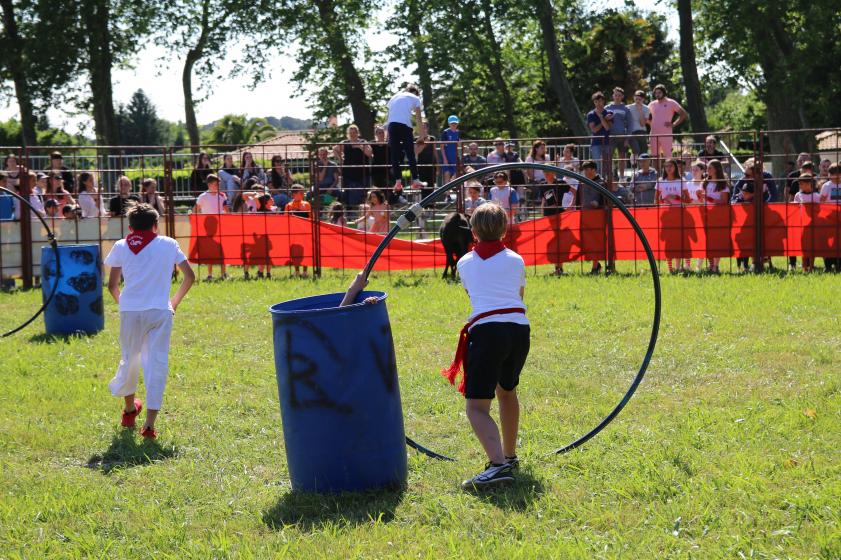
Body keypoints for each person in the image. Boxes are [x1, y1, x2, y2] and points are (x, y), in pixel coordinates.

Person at [438, 202, 529, 490]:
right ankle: (510, 456)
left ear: (473, 231)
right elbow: (519, 293)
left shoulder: (465, 263)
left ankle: (499, 466)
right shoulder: (516, 259)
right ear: (504, 229)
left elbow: (471, 292)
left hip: (488, 332)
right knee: (507, 391)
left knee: (477, 408)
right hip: (519, 330)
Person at [104, 202, 195, 440]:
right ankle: (150, 425)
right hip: (159, 311)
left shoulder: (121, 245)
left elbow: (112, 285)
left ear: (130, 225)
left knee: (129, 358)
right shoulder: (169, 243)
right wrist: (173, 303)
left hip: (131, 311)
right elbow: (189, 276)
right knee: (156, 363)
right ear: (156, 225)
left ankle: (129, 410)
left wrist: (124, 303)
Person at [384, 84, 426, 191]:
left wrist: (387, 135)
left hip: (392, 126)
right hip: (405, 126)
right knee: (410, 153)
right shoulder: (416, 98)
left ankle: (398, 182)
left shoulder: (395, 96)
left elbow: (389, 116)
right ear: (416, 93)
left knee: (394, 154)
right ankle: (415, 179)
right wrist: (421, 136)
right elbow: (418, 118)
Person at [193, 174, 227, 280]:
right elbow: (195, 210)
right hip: (207, 227)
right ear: (209, 185)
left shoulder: (222, 196)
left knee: (222, 250)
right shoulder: (202, 197)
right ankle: (209, 274)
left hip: (220, 226)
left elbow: (227, 210)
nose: (217, 186)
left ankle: (223, 273)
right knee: (210, 251)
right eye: (215, 184)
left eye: (218, 184)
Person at [578, 160, 608, 274]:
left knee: (596, 241)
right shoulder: (582, 183)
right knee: (588, 242)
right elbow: (578, 199)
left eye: (587, 170)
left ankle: (595, 267)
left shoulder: (602, 183)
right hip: (585, 216)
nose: (585, 172)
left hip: (597, 216)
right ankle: (596, 264)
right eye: (584, 170)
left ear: (594, 170)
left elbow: (606, 199)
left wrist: (598, 203)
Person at [656, 159, 686, 273]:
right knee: (668, 242)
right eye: (666, 166)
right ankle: (670, 268)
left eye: (671, 166)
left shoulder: (681, 180)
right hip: (665, 215)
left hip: (679, 214)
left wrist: (676, 198)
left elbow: (687, 199)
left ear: (675, 167)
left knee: (678, 241)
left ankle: (678, 267)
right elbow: (656, 201)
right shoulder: (660, 181)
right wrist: (665, 199)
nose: (668, 168)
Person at [647, 85, 687, 165]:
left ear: (664, 93)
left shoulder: (671, 102)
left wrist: (674, 124)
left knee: (668, 158)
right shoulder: (652, 104)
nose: (657, 94)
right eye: (656, 93)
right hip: (653, 134)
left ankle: (669, 176)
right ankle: (657, 176)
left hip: (666, 134)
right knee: (655, 157)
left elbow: (683, 114)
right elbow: (645, 117)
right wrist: (651, 123)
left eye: (659, 92)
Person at [334, 124, 373, 207]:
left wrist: (360, 147)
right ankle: (351, 211)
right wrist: (340, 158)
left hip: (362, 173)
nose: (352, 134)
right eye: (350, 132)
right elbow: (335, 149)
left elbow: (369, 153)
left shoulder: (363, 142)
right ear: (348, 134)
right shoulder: (345, 143)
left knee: (363, 193)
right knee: (349, 193)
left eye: (354, 132)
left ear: (357, 133)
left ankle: (362, 210)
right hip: (348, 173)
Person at [704, 159, 730, 273]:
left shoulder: (723, 184)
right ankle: (710, 266)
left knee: (717, 241)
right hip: (705, 214)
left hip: (717, 215)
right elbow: (702, 199)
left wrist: (710, 199)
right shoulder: (705, 182)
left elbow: (724, 201)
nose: (707, 170)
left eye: (710, 168)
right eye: (707, 168)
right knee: (707, 241)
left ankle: (716, 266)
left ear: (716, 169)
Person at [793, 174, 821, 272]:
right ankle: (805, 267)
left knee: (812, 245)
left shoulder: (817, 196)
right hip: (802, 225)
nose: (800, 186)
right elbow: (795, 209)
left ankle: (812, 266)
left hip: (813, 225)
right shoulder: (798, 195)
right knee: (804, 246)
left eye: (802, 184)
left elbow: (820, 211)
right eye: (799, 184)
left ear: (809, 184)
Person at [820, 163, 841, 272]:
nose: (836, 177)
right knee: (827, 242)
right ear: (829, 175)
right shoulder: (826, 186)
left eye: (839, 174)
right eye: (833, 175)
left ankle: (839, 264)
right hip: (829, 219)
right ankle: (827, 265)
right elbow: (822, 202)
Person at [605, 87, 630, 179]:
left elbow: (629, 125)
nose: (617, 97)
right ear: (613, 95)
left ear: (622, 96)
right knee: (608, 157)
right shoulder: (607, 108)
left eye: (619, 95)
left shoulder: (626, 109)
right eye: (615, 95)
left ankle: (622, 177)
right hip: (610, 136)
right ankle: (609, 176)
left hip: (622, 136)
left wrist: (627, 138)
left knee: (622, 158)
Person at [586, 91, 613, 175]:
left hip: (607, 142)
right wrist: (604, 119)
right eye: (596, 101)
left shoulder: (609, 112)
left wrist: (601, 118)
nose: (598, 103)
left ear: (603, 101)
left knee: (607, 164)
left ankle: (608, 183)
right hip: (595, 143)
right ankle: (598, 183)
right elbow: (594, 130)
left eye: (600, 101)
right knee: (597, 164)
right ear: (594, 102)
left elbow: (607, 128)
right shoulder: (590, 114)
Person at [626, 90, 650, 165]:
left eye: (639, 99)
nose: (637, 101)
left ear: (643, 99)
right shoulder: (628, 108)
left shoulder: (646, 109)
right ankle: (633, 160)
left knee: (643, 153)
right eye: (636, 99)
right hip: (632, 132)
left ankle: (641, 169)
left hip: (642, 132)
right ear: (634, 98)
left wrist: (640, 110)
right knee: (636, 149)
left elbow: (642, 124)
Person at [414, 120, 438, 197]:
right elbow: (416, 152)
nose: (423, 129)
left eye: (424, 127)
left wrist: (437, 166)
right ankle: (424, 206)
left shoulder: (432, 138)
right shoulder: (416, 139)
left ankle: (431, 206)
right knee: (423, 186)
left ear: (427, 128)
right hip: (421, 165)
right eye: (421, 127)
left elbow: (435, 152)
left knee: (431, 185)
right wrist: (424, 143)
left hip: (431, 165)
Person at [440, 115, 461, 183]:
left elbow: (458, 143)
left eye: (455, 123)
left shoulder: (458, 132)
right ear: (449, 124)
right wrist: (445, 159)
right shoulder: (445, 132)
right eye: (452, 123)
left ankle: (452, 186)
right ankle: (447, 193)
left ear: (457, 123)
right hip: (447, 156)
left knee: (457, 173)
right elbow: (442, 147)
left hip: (454, 157)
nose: (454, 125)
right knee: (447, 174)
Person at [370, 125, 389, 189]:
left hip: (388, 170)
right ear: (376, 134)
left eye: (382, 132)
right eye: (379, 133)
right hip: (376, 170)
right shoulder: (372, 144)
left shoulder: (389, 144)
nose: (381, 134)